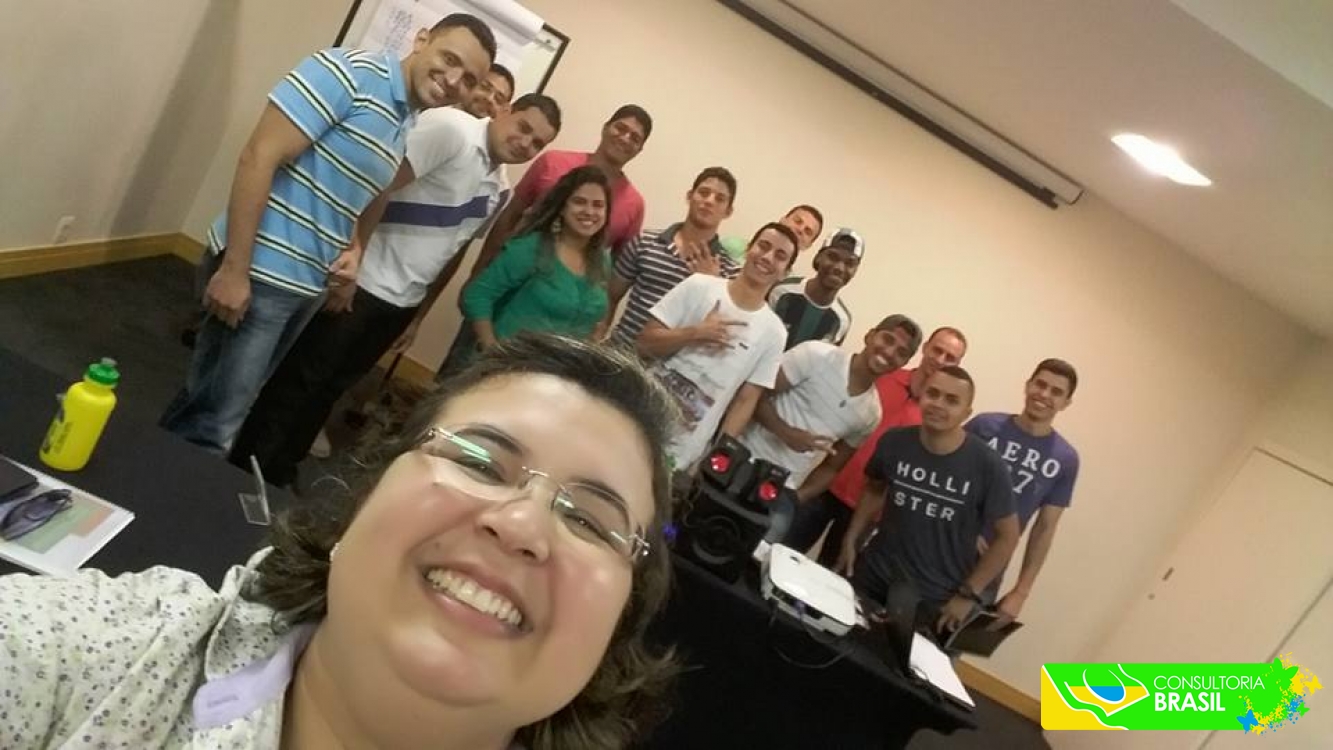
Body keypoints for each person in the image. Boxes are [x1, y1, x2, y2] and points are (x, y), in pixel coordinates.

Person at [0, 334, 678, 749]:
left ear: (617, 629)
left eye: (589, 521)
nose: (522, 525)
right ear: (364, 498)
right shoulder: (111, 654)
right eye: (478, 462)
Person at [159, 15, 498, 454]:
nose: (453, 80)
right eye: (449, 59)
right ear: (421, 40)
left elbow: (367, 192)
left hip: (306, 285)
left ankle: (148, 474)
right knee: (218, 424)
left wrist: (356, 251)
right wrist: (235, 269)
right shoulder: (348, 72)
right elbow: (258, 157)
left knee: (208, 400)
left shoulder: (407, 117)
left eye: (469, 79)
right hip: (261, 273)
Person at [228, 94, 561, 488]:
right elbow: (375, 186)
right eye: (524, 127)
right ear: (505, 111)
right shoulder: (451, 129)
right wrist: (351, 260)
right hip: (363, 281)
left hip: (402, 301)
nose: (525, 143)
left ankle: (281, 469)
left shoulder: (500, 188)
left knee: (333, 387)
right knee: (301, 380)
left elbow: (454, 249)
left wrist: (418, 315)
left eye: (537, 143)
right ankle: (243, 472)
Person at [437, 104, 653, 381]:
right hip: (506, 293)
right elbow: (510, 216)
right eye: (620, 128)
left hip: (555, 354)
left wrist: (600, 327)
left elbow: (615, 278)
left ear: (640, 149)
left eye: (635, 137)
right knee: (462, 373)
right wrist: (480, 271)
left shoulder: (634, 205)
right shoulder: (554, 162)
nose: (625, 137)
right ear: (605, 127)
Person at [834, 367, 1021, 634]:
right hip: (874, 574)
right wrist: (852, 538)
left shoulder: (988, 465)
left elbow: (1008, 537)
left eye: (952, 400)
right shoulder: (894, 442)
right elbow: (875, 489)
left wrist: (968, 595)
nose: (939, 404)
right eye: (933, 394)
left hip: (932, 597)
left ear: (967, 412)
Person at [784, 326, 968, 566]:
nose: (940, 359)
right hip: (827, 486)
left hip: (866, 513)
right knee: (783, 551)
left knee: (829, 575)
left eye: (950, 357)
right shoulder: (884, 374)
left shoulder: (935, 414)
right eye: (937, 350)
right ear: (925, 349)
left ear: (957, 364)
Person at [746, 314, 923, 542]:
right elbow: (753, 396)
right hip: (745, 459)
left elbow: (832, 468)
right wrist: (787, 433)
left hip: (782, 491)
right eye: (887, 339)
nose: (889, 352)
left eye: (901, 352)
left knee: (753, 557)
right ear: (870, 336)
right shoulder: (816, 355)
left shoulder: (871, 413)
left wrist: (796, 498)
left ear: (904, 363)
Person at [637, 222, 797, 472]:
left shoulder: (774, 332)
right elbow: (644, 343)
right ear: (748, 249)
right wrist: (695, 333)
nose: (767, 257)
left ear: (785, 272)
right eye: (763, 246)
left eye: (780, 256)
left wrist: (717, 456)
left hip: (682, 450)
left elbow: (745, 402)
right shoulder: (699, 286)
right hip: (639, 417)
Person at [964, 358, 1081, 626]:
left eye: (1056, 392)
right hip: (937, 546)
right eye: (1040, 384)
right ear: (1028, 385)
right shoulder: (983, 426)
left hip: (987, 570)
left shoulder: (1065, 460)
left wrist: (1021, 592)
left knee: (943, 644)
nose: (1044, 394)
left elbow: (1045, 528)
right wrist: (966, 528)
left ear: (1066, 403)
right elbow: (946, 475)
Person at [461, 166, 613, 354]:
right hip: (510, 362)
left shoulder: (602, 261)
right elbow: (477, 295)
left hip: (560, 368)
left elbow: (595, 321)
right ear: (562, 207)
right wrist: (491, 350)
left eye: (598, 205)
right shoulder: (532, 248)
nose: (589, 211)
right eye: (579, 202)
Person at [607, 167, 741, 348]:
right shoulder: (645, 241)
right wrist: (599, 333)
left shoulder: (730, 271)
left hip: (673, 365)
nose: (709, 201)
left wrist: (711, 285)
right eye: (703, 193)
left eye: (720, 199)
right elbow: (610, 296)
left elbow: (720, 333)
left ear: (728, 211)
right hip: (618, 351)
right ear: (689, 196)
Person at [768, 228, 863, 350]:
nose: (839, 268)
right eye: (833, 257)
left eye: (850, 263)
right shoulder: (781, 290)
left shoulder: (842, 320)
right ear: (818, 257)